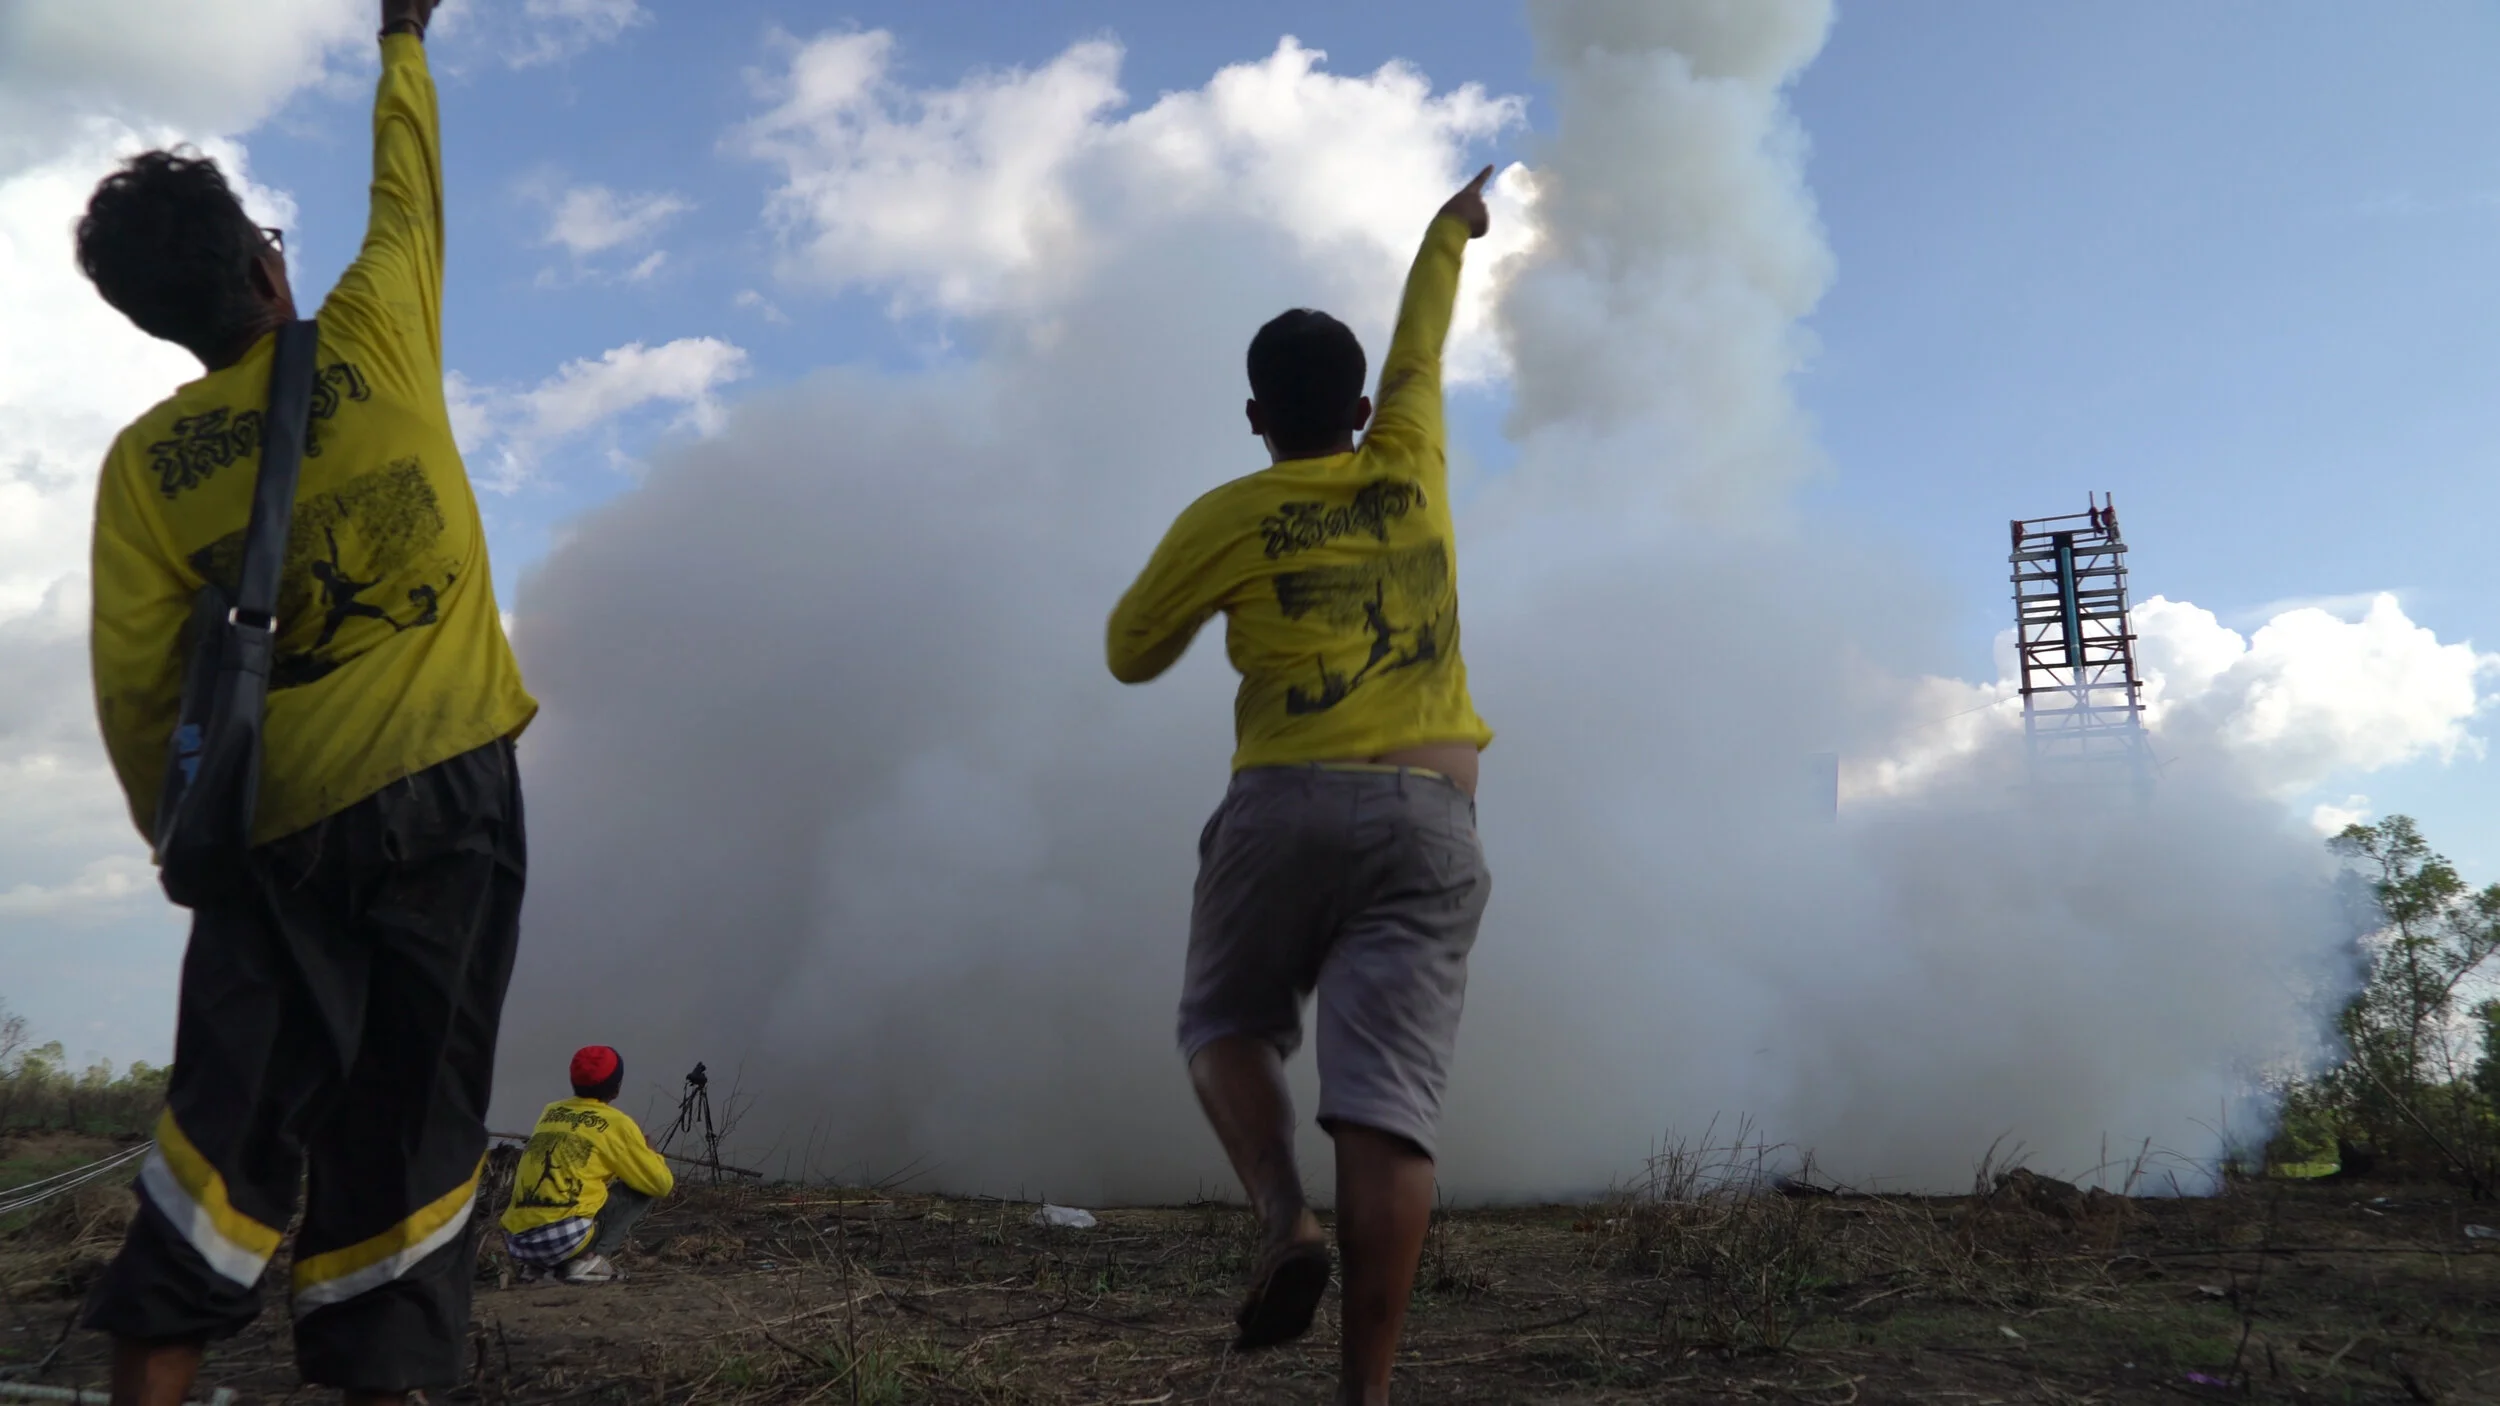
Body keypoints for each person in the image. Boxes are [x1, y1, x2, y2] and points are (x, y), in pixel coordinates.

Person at [75, 1, 534, 1401]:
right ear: (266, 265)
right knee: (405, 1149)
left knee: (216, 1154)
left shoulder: (145, 466)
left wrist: (187, 843)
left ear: (149, 318)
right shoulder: (378, 333)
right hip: (452, 799)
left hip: (269, 834)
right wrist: (403, 38)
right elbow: (409, 189)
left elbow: (142, 690)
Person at [1106, 167, 1500, 1406]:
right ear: (1366, 408)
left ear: (1254, 415)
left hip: (1281, 802)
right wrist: (1448, 228)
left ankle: (1284, 1215)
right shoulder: (1411, 458)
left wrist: (1217, 592)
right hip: (1431, 817)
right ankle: (1363, 1395)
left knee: (1222, 1023)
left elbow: (1130, 651)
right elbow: (1423, 339)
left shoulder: (1229, 512)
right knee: (1385, 1113)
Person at [499, 1047, 675, 1285]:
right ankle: (587, 1262)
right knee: (646, 1184)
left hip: (519, 1243)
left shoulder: (551, 1112)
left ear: (573, 1081)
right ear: (617, 1088)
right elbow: (662, 1184)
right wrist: (651, 1154)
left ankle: (538, 1268)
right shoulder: (617, 1123)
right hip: (564, 1241)